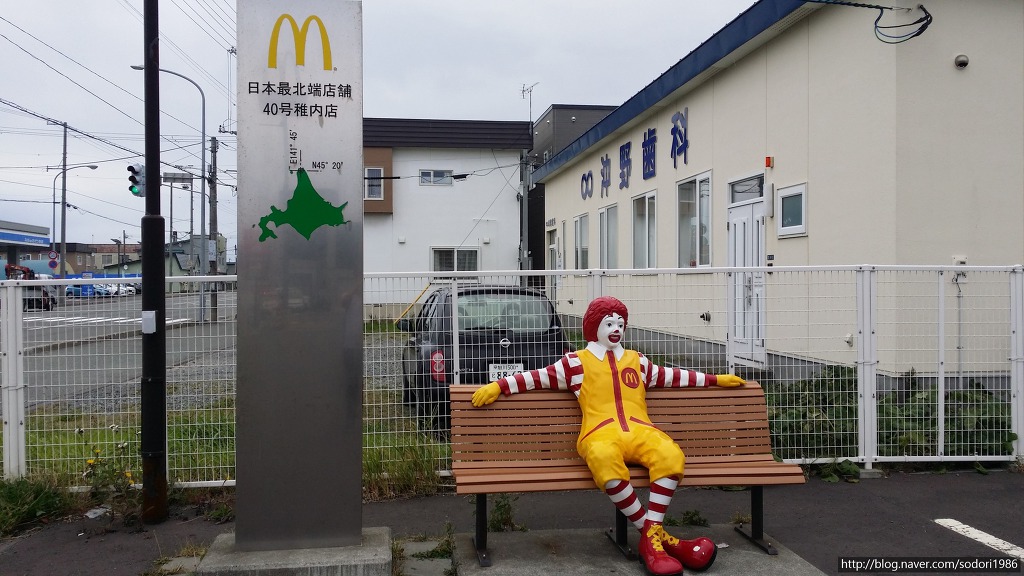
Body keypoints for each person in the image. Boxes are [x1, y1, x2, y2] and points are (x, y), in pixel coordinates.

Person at [472, 296, 745, 576]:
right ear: (594, 326)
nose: (616, 329)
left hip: (641, 430)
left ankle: (652, 539)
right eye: (609, 323)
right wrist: (499, 386)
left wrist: (715, 380)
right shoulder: (576, 363)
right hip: (600, 434)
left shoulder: (638, 361)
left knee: (670, 454)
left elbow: (673, 376)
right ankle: (658, 540)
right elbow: (536, 377)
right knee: (604, 459)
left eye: (620, 324)